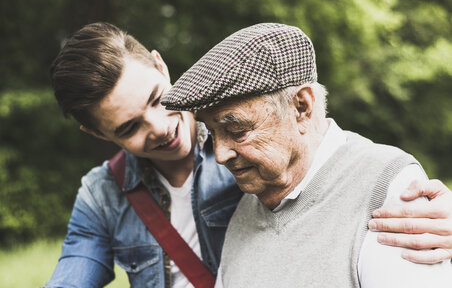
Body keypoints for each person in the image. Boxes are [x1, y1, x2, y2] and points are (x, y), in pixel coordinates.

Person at [46, 22, 451, 288]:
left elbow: (326, 158)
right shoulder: (102, 195)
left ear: (159, 64)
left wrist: (411, 189)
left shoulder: (254, 148)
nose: (160, 126)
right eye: (129, 128)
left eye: (157, 99)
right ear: (96, 133)